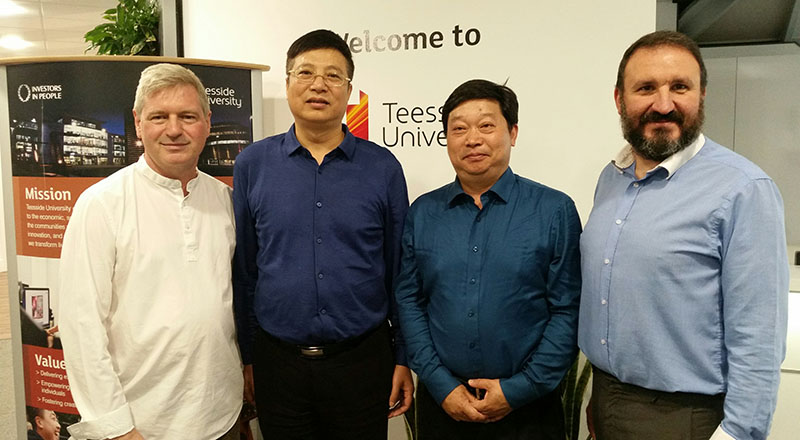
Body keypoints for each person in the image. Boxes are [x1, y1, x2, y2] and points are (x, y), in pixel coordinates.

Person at [579, 30, 789, 440]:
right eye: (646, 88)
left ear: (702, 95)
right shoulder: (612, 177)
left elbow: (759, 338)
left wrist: (739, 433)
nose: (663, 104)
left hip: (683, 417)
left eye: (680, 87)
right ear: (620, 100)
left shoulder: (743, 189)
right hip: (604, 399)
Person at [232, 29, 413, 439]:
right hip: (278, 365)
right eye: (306, 73)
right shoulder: (253, 165)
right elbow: (245, 272)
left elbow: (399, 272)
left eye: (333, 76)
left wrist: (401, 356)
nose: (319, 84)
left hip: (362, 361)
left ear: (349, 89)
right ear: (289, 82)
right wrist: (248, 357)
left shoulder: (382, 168)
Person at [58, 63, 243, 440]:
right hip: (142, 425)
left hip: (221, 415)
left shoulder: (226, 200)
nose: (174, 129)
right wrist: (116, 427)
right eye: (160, 117)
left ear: (207, 122)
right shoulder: (102, 204)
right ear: (139, 124)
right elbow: (81, 326)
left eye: (187, 116)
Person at [395, 79, 582, 439]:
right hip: (444, 406)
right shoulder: (424, 213)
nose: (472, 139)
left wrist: (519, 389)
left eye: (486, 125)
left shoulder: (554, 211)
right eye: (459, 128)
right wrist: (440, 384)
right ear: (446, 139)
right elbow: (410, 300)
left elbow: (568, 309)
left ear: (512, 133)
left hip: (529, 409)